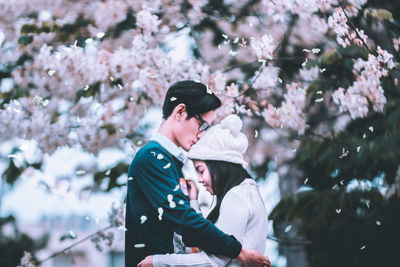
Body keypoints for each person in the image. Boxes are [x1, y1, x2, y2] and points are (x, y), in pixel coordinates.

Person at [125, 80, 270, 267]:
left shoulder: (168, 160)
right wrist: (239, 251)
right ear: (180, 111)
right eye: (202, 125)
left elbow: (183, 233)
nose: (202, 134)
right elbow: (184, 221)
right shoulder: (152, 158)